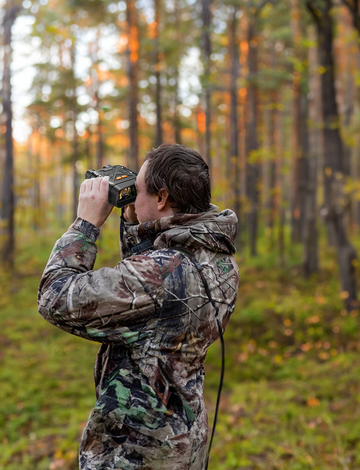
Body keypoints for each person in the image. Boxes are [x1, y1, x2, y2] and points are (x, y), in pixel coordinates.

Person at [37, 143, 239, 470]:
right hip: (183, 441)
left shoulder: (159, 276)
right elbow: (149, 293)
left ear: (161, 198)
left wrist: (85, 225)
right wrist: (138, 219)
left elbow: (54, 296)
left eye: (139, 189)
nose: (131, 194)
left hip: (137, 452)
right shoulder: (218, 256)